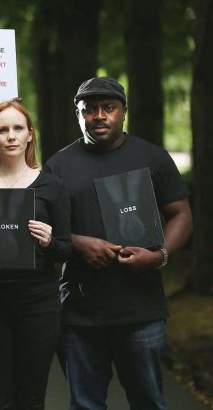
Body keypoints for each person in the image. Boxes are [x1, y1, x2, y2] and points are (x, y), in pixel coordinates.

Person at [44, 77, 193, 410]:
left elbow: (181, 214)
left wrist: (158, 257)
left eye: (108, 108)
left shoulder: (152, 157)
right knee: (85, 405)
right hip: (79, 314)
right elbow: (43, 230)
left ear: (122, 112)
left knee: (149, 403)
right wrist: (79, 242)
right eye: (90, 110)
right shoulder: (58, 166)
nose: (99, 116)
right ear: (78, 114)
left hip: (141, 310)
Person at [0, 99, 71, 409]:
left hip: (39, 304)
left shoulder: (52, 186)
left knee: (31, 399)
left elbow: (67, 248)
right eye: (2, 129)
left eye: (18, 128)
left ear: (30, 135)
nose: (10, 136)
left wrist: (49, 242)